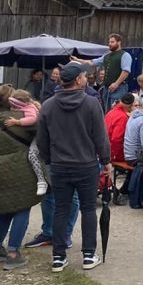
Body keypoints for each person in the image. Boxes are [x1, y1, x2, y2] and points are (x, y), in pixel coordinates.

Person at [36, 62, 111, 272]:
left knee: (61, 209)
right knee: (88, 209)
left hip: (59, 164)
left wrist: (50, 159)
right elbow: (100, 136)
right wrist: (106, 161)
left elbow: (42, 139)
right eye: (85, 76)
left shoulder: (48, 105)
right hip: (86, 164)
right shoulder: (91, 103)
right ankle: (88, 255)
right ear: (78, 79)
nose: (87, 78)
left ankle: (58, 257)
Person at [0, 85, 41, 270]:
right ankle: (13, 252)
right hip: (21, 168)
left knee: (6, 210)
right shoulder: (22, 119)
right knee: (22, 209)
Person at [0, 89, 50, 196]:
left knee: (32, 154)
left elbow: (32, 119)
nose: (13, 109)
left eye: (14, 106)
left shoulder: (30, 108)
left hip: (40, 136)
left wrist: (16, 121)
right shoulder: (30, 106)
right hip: (38, 135)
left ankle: (41, 180)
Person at [72, 33, 133, 108]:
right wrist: (77, 59)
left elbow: (126, 71)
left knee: (116, 110)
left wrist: (116, 84)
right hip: (107, 89)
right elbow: (92, 63)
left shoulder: (125, 55)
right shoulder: (106, 56)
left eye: (112, 42)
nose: (109, 44)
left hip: (119, 88)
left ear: (119, 42)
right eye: (109, 42)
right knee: (106, 112)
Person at [104, 93, 134, 164]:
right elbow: (116, 139)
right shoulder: (123, 117)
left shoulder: (110, 112)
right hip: (113, 154)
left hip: (104, 150)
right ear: (131, 105)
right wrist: (116, 156)